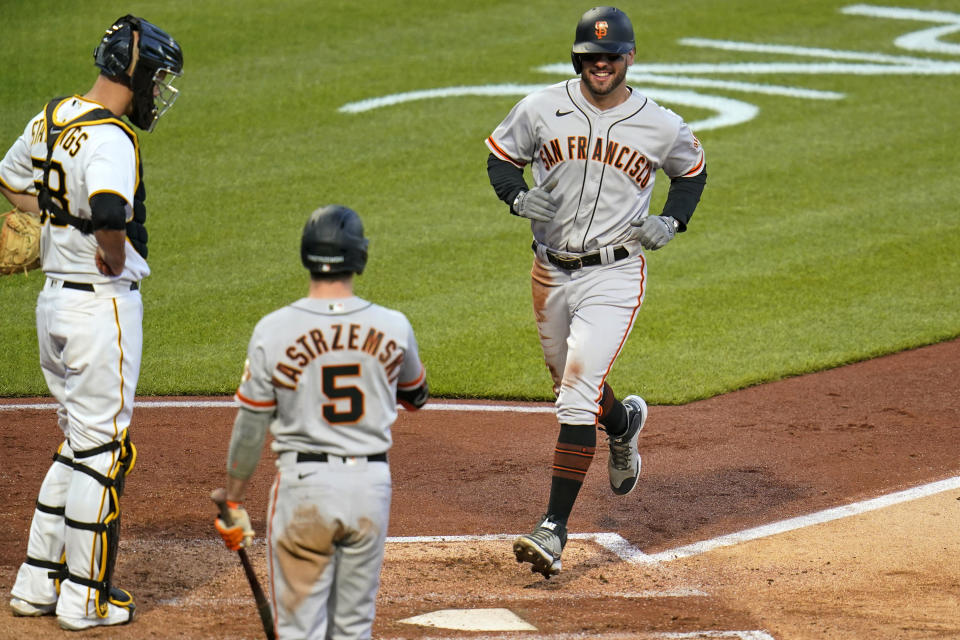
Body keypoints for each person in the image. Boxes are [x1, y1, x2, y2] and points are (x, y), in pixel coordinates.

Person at [485, 5, 707, 578]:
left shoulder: (659, 123)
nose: (599, 65)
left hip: (614, 273)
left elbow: (691, 170)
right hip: (549, 272)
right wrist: (514, 196)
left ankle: (553, 529)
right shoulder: (540, 108)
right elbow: (501, 157)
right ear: (577, 58)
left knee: (575, 395)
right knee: (573, 388)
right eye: (589, 57)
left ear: (629, 57)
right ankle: (623, 425)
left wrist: (673, 221)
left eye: (609, 56)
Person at [0, 15, 183, 629]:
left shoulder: (52, 116)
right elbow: (108, 209)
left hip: (52, 305)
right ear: (135, 73)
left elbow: (10, 178)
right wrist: (108, 252)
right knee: (105, 452)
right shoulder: (111, 138)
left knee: (77, 445)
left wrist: (56, 222)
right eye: (157, 77)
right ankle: (85, 597)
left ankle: (34, 583)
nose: (159, 90)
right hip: (98, 305)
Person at [213, 205, 429, 640]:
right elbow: (416, 395)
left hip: (304, 489)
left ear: (305, 255)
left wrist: (234, 501)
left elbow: (252, 424)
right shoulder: (393, 325)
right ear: (359, 257)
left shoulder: (273, 329)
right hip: (370, 488)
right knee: (352, 628)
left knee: (298, 629)